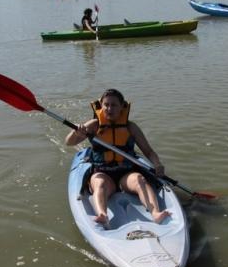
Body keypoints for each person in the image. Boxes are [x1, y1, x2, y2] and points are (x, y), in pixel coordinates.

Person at [65, 89, 171, 226]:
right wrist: (76, 133)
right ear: (101, 106)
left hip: (125, 173)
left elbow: (149, 152)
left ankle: (155, 213)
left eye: (114, 105)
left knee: (140, 180)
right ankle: (102, 214)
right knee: (100, 183)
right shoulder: (93, 125)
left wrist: (157, 164)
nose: (109, 108)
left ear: (122, 107)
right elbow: (69, 142)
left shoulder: (131, 127)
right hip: (102, 171)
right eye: (106, 105)